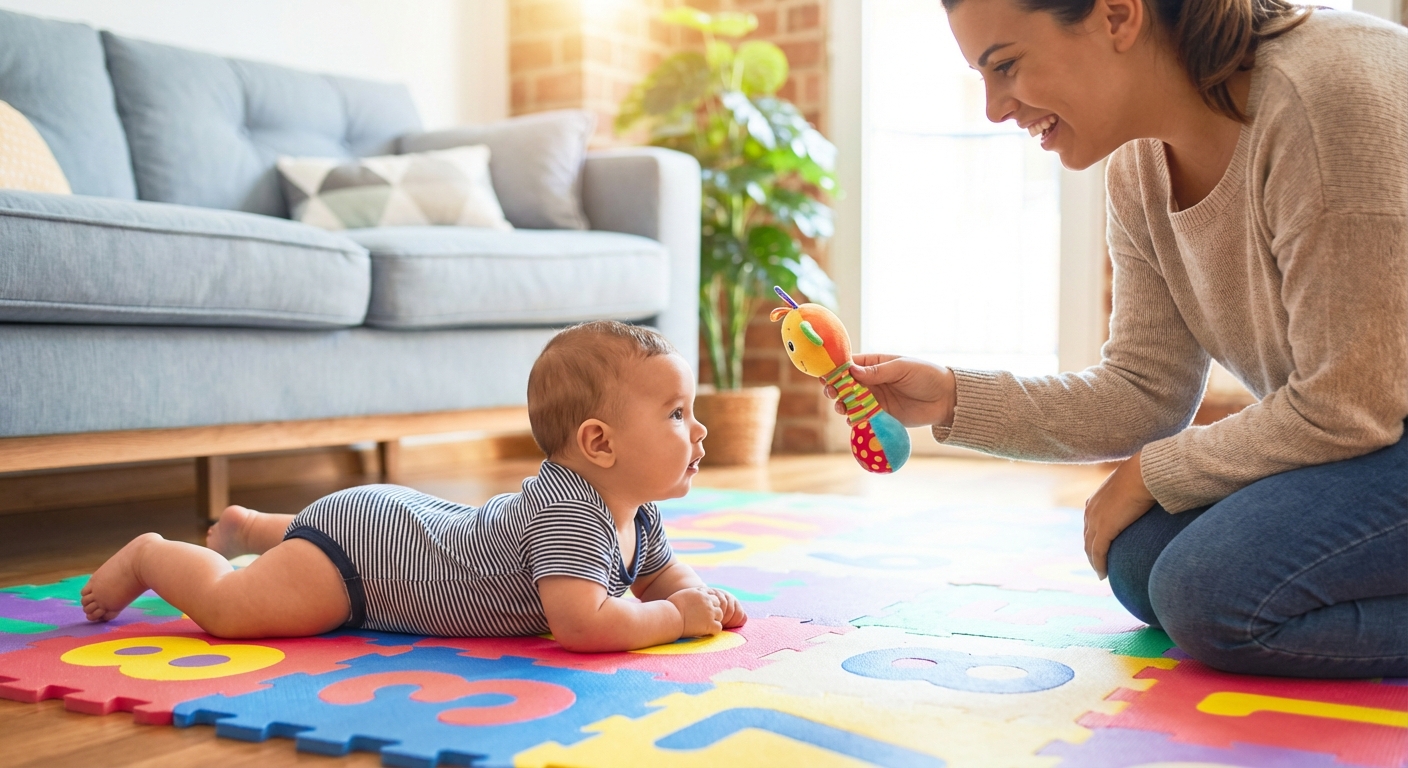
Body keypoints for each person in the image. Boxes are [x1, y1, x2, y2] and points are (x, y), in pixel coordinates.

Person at [827, 0, 1407, 677]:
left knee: (1209, 594)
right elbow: (1145, 392)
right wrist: (953, 397)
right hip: (1374, 435)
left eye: (1006, 66)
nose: (992, 109)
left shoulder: (1325, 96)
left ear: (1117, 16)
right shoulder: (1138, 167)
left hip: (1373, 424)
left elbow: (1349, 402)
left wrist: (1155, 470)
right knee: (1138, 557)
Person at [80, 321, 747, 651]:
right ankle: (150, 553)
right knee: (232, 611)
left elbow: (663, 577)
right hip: (364, 568)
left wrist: (699, 598)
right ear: (599, 443)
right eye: (677, 414)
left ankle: (253, 527)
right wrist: (675, 622)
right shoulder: (572, 514)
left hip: (395, 528)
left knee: (320, 535)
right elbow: (583, 624)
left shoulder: (635, 511)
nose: (699, 430)